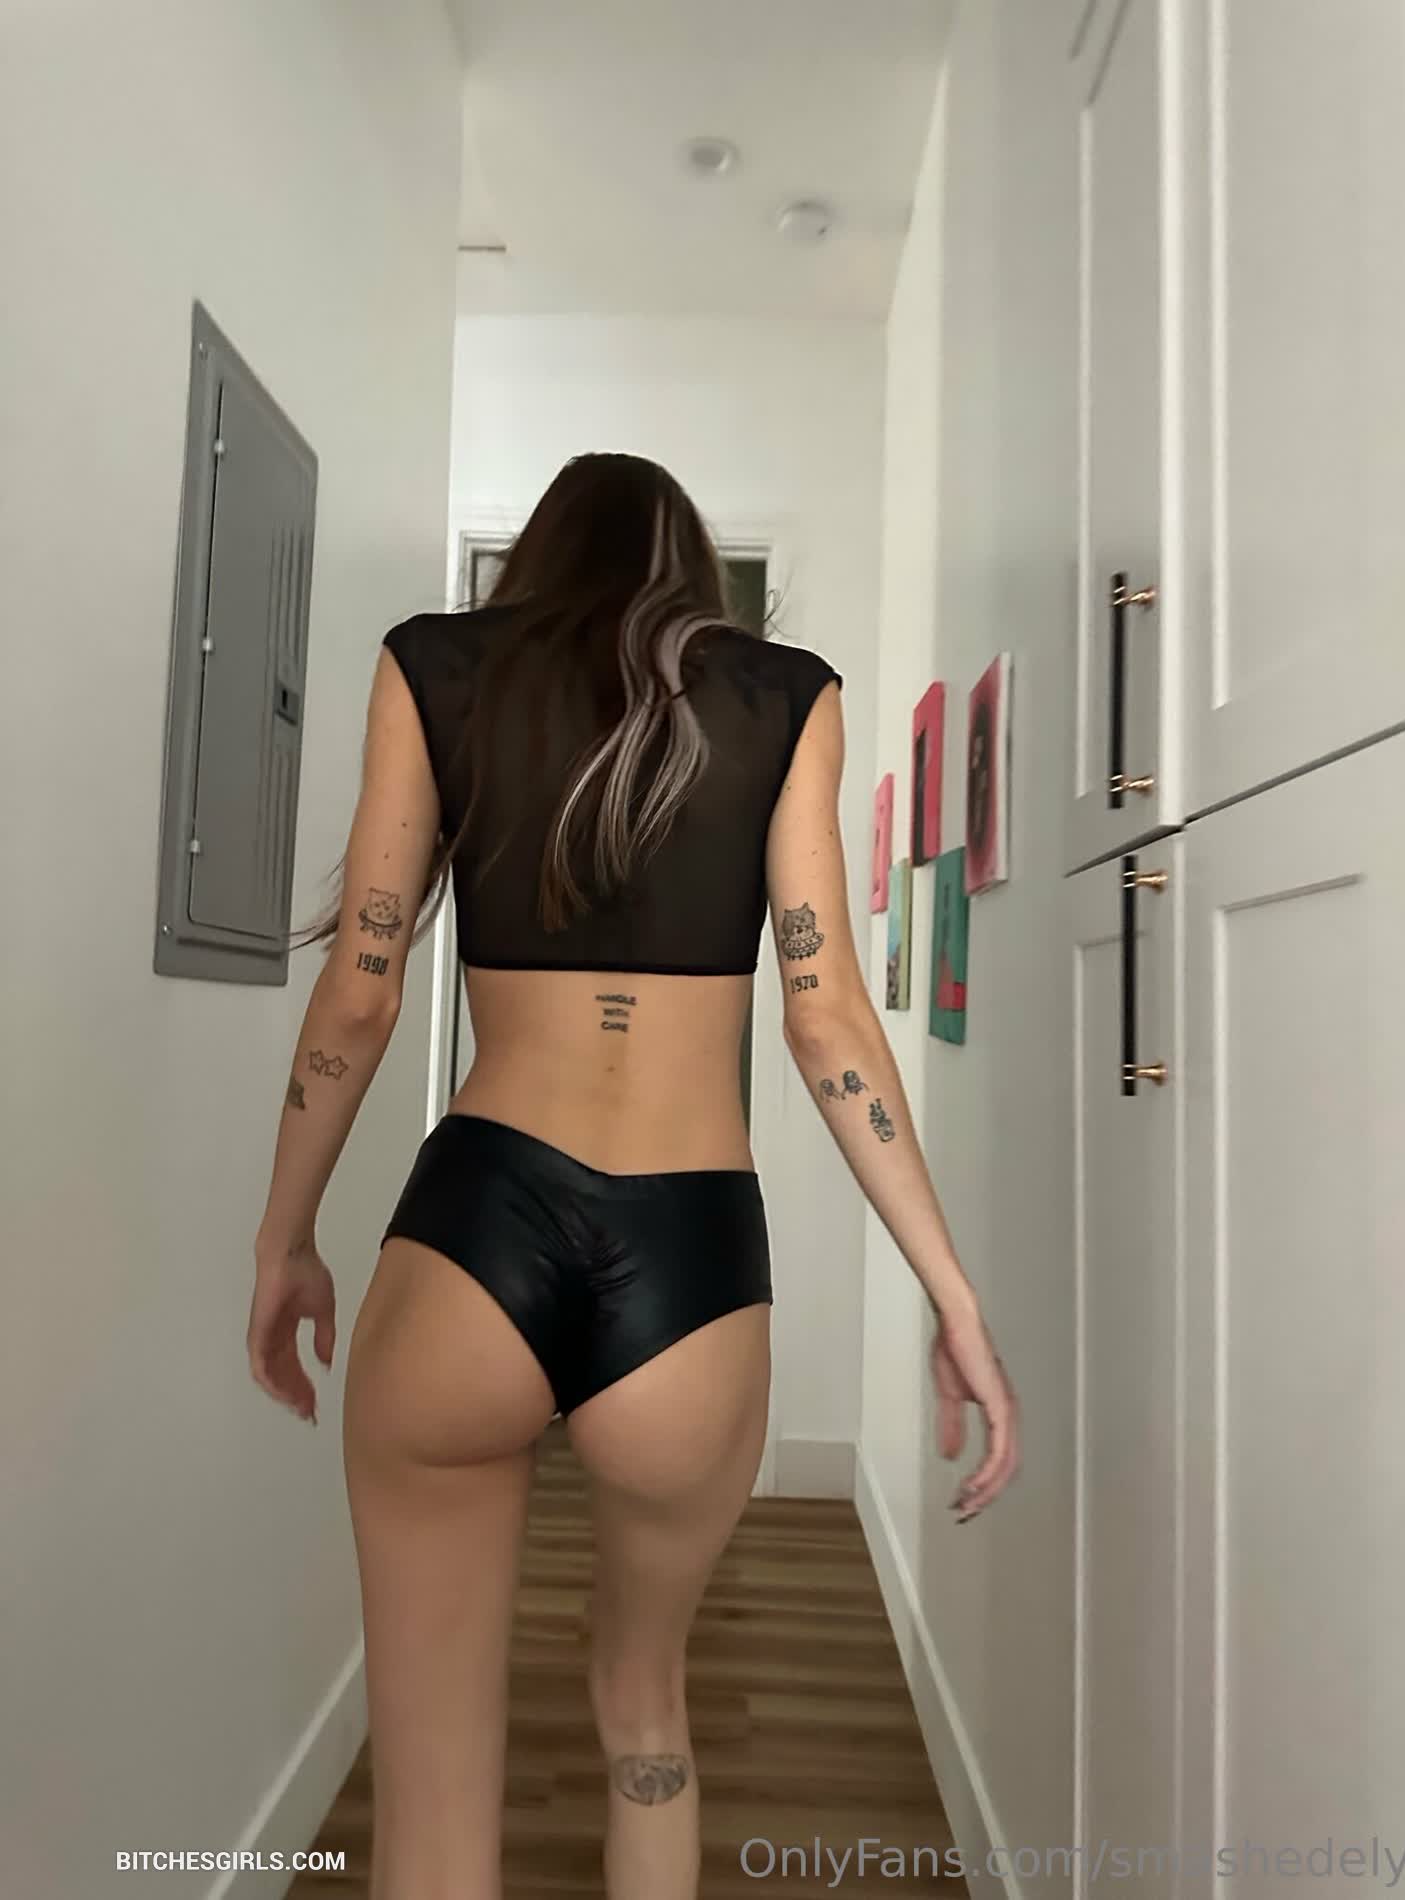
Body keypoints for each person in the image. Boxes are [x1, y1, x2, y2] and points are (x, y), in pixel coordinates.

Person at [246, 451, 1019, 1900]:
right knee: (648, 1714)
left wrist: (285, 1240)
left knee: (431, 1798)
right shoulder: (786, 696)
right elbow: (827, 1021)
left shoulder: (436, 669)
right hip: (690, 1265)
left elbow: (361, 990)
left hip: (475, 1237)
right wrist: (953, 1294)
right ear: (692, 568)